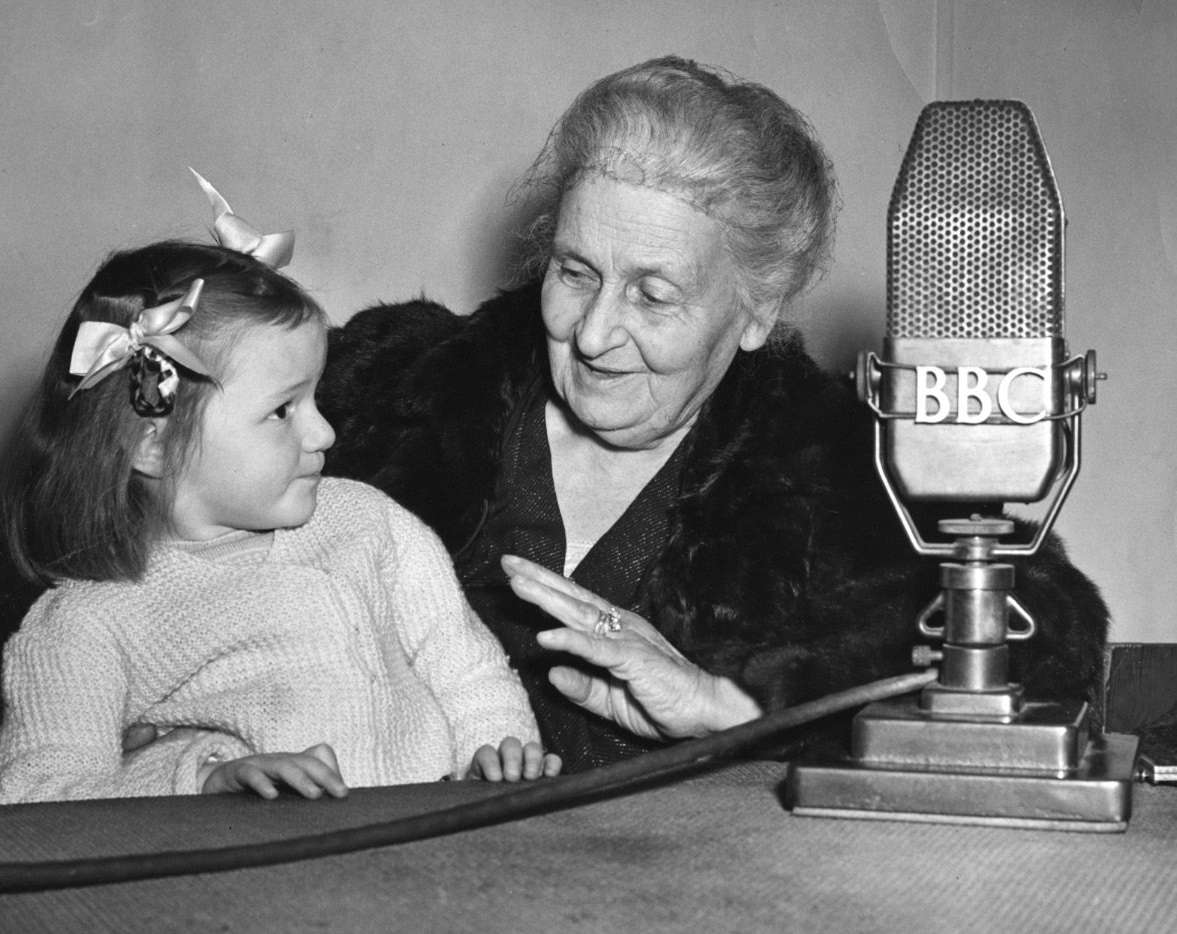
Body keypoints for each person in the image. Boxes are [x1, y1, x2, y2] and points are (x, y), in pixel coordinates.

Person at [317, 56, 1110, 772]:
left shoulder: (839, 467)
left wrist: (727, 708)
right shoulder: (388, 388)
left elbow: (1052, 636)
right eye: (575, 271)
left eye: (653, 295)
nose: (593, 334)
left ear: (756, 310)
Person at [0, 190, 559, 804]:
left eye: (314, 399)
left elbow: (465, 664)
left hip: (423, 842)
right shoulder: (85, 625)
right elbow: (35, 796)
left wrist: (495, 750)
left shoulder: (369, 522)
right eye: (282, 410)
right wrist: (199, 781)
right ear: (151, 447)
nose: (325, 432)